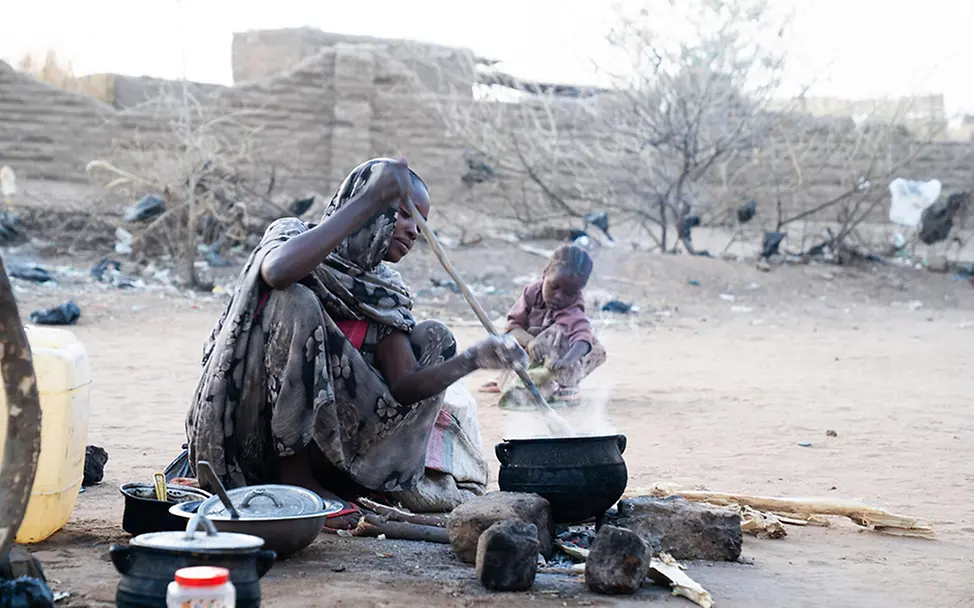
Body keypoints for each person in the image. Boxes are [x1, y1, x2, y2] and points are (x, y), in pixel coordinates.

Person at [185, 158, 527, 521]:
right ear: (369, 206)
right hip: (253, 433)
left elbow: (405, 386)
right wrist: (371, 198)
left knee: (435, 338)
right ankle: (295, 478)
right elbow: (277, 272)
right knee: (296, 301)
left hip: (334, 448)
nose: (415, 232)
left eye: (421, 224)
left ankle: (361, 477)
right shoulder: (291, 235)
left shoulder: (382, 289)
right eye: (405, 215)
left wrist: (473, 359)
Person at [479, 244, 606, 408]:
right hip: (528, 356)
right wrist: (531, 342)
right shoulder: (532, 293)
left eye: (569, 293)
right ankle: (514, 380)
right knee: (506, 342)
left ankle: (565, 388)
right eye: (554, 287)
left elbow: (582, 338)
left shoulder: (572, 306)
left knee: (572, 335)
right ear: (545, 272)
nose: (559, 296)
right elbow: (513, 328)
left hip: (555, 363)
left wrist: (566, 360)